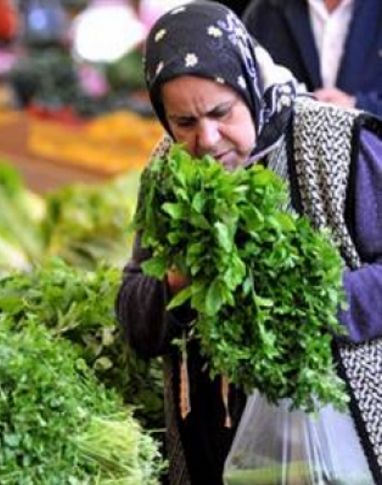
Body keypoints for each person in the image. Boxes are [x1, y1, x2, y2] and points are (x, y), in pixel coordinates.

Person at [116, 2, 382, 484]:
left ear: (249, 85)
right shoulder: (166, 170)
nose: (208, 140)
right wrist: (177, 282)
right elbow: (134, 320)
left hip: (339, 446)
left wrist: (319, 302)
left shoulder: (335, 142)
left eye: (221, 112)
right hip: (214, 453)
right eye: (184, 124)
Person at [243, 0, 382, 117]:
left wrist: (358, 106)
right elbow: (245, 101)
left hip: (372, 145)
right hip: (291, 145)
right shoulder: (264, 12)